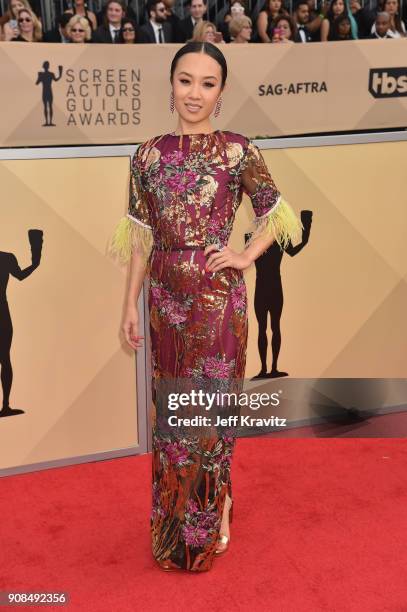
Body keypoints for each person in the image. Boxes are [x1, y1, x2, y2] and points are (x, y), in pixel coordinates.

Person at [109, 41, 302, 572]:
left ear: (222, 91)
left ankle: (215, 512)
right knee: (172, 422)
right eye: (185, 80)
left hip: (217, 304)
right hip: (163, 301)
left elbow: (278, 215)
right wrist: (129, 304)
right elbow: (142, 240)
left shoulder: (238, 150)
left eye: (207, 83)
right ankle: (174, 528)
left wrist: (244, 255)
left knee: (209, 418)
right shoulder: (146, 155)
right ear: (171, 84)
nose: (195, 93)